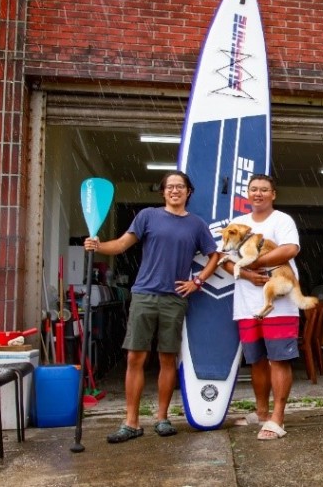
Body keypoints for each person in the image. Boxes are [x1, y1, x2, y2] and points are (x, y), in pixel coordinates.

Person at [84, 170, 219, 443]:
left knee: (167, 358)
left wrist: (198, 282)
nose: (175, 191)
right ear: (163, 192)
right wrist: (97, 245)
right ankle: (131, 422)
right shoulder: (148, 216)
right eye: (170, 187)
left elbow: (215, 255)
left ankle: (162, 418)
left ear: (188, 191)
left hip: (174, 299)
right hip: (144, 294)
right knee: (135, 357)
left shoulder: (196, 225)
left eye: (180, 186)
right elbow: (121, 245)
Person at [220, 174, 301, 440]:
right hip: (246, 304)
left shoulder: (282, 220)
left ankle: (277, 419)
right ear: (247, 193)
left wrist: (253, 263)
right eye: (253, 189)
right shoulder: (238, 223)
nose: (258, 194)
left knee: (278, 359)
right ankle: (262, 412)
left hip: (280, 304)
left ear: (273, 194)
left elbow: (290, 250)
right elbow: (226, 260)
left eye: (264, 190)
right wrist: (245, 273)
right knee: (256, 361)